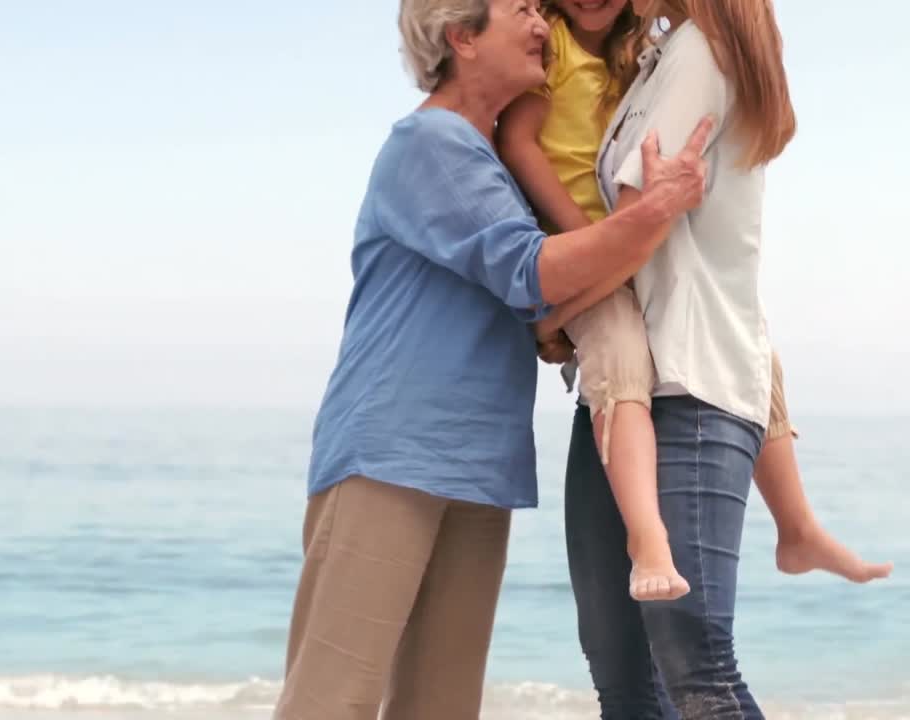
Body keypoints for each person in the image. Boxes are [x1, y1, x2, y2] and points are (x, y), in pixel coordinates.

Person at [271, 1, 713, 718]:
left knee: (441, 706)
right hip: (393, 453)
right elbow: (531, 272)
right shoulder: (430, 143)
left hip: (477, 468)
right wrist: (651, 215)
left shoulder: (499, 173)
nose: (544, 25)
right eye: (523, 11)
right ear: (463, 37)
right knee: (330, 703)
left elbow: (548, 314)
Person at [549, 1, 887, 716]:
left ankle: (801, 531)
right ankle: (800, 531)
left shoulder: (701, 56)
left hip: (688, 392)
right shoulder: (661, 59)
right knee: (625, 680)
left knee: (696, 671)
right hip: (624, 397)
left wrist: (550, 314)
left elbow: (638, 231)